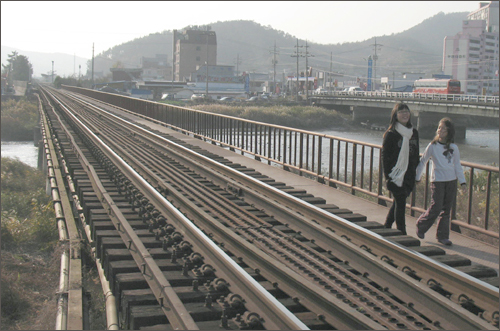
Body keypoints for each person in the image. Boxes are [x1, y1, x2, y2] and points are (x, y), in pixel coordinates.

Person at [415, 117, 466, 245]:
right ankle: (421, 225)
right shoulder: (432, 146)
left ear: (449, 131)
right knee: (436, 207)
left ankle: (443, 236)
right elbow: (423, 161)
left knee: (446, 210)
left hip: (451, 181)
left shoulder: (454, 147)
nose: (440, 130)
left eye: (443, 128)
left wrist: (463, 182)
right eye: (439, 128)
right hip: (437, 180)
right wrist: (417, 177)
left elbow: (457, 166)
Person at [381, 102, 420, 235]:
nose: (405, 114)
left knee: (399, 201)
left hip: (409, 174)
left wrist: (417, 174)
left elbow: (416, 154)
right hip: (395, 174)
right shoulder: (391, 134)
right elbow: (385, 157)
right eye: (401, 112)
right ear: (395, 115)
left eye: (406, 111)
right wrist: (387, 177)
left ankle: (387, 225)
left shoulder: (414, 133)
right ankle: (401, 232)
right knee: (401, 202)